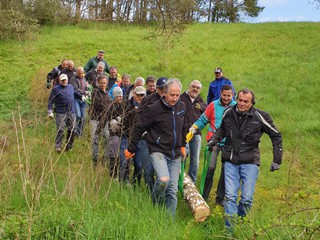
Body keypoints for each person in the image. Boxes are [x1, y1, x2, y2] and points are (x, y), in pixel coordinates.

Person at [207, 88, 283, 232]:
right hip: (230, 160)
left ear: (252, 103)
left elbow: (276, 135)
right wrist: (213, 141)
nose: (241, 104)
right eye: (240, 100)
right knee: (230, 197)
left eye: (245, 102)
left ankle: (240, 222)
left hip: (250, 161)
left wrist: (277, 160)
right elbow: (221, 130)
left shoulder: (261, 116)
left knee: (247, 199)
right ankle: (229, 231)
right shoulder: (228, 112)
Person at [126, 78, 187, 216]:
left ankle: (168, 220)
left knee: (172, 189)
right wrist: (131, 149)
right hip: (158, 151)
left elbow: (184, 126)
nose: (175, 98)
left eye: (177, 95)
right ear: (164, 93)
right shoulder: (153, 109)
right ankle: (154, 204)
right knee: (163, 180)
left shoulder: (181, 107)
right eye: (172, 95)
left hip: (175, 153)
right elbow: (139, 127)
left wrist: (183, 145)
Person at [189, 85, 236, 204]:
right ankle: (204, 196)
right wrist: (194, 128)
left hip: (229, 143)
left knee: (226, 170)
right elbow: (203, 120)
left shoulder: (236, 107)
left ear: (233, 95)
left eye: (228, 96)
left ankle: (220, 199)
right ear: (220, 93)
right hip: (213, 141)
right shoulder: (213, 105)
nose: (226, 98)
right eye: (224, 95)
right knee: (210, 168)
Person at [134, 77, 168, 191]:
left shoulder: (173, 103)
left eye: (165, 88)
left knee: (162, 173)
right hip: (146, 139)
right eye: (161, 88)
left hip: (163, 142)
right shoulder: (148, 100)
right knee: (148, 170)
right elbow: (139, 117)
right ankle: (151, 196)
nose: (163, 90)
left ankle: (160, 196)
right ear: (157, 88)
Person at [179, 80, 206, 183]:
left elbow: (206, 117)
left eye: (198, 88)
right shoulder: (181, 99)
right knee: (183, 156)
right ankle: (181, 179)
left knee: (195, 159)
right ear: (189, 87)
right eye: (193, 87)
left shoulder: (202, 103)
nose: (195, 89)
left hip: (196, 134)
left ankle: (191, 182)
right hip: (183, 133)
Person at [120, 86, 146, 185]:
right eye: (138, 95)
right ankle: (124, 183)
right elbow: (122, 118)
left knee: (139, 164)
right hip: (126, 136)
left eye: (142, 95)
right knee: (124, 162)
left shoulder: (146, 107)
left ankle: (136, 184)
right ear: (134, 94)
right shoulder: (126, 104)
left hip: (140, 138)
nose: (140, 97)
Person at [47, 74, 80, 152]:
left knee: (72, 129)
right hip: (61, 112)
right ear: (59, 81)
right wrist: (50, 111)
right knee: (60, 129)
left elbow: (75, 93)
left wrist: (81, 96)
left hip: (71, 112)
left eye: (65, 80)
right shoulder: (56, 89)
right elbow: (50, 101)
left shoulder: (70, 87)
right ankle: (58, 146)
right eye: (63, 80)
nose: (64, 81)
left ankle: (69, 146)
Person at [89, 76, 112, 167]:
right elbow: (99, 104)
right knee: (95, 139)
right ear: (98, 83)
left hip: (105, 120)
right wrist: (108, 108)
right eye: (101, 82)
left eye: (105, 83)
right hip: (95, 119)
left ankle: (105, 158)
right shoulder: (95, 92)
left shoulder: (108, 94)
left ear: (107, 84)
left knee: (107, 138)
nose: (103, 84)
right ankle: (95, 159)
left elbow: (111, 106)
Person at [106, 86, 125, 178]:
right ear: (114, 97)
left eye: (120, 96)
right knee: (113, 154)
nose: (119, 98)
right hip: (114, 133)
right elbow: (108, 118)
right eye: (117, 96)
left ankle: (122, 176)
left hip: (124, 133)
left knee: (123, 156)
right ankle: (113, 175)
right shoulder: (111, 106)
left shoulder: (125, 105)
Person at [69, 67, 88, 137]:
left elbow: (85, 87)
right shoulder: (73, 79)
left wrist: (87, 90)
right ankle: (75, 131)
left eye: (82, 73)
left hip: (83, 100)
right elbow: (74, 90)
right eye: (79, 73)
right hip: (76, 99)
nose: (81, 74)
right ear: (76, 72)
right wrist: (82, 94)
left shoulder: (83, 78)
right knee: (78, 116)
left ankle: (80, 133)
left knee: (83, 117)